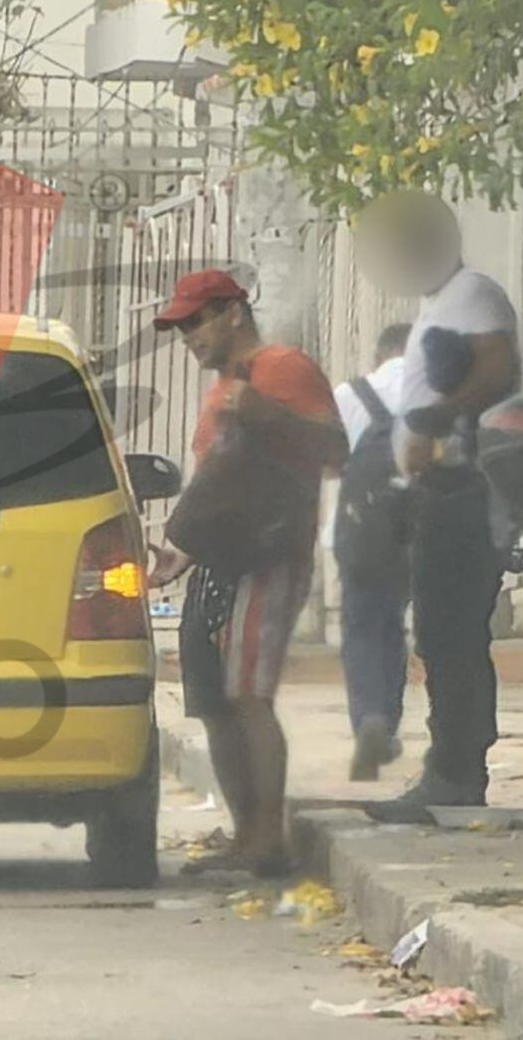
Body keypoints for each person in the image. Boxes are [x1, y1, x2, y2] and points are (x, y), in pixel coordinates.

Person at [149, 270, 347, 875]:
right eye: (181, 326)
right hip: (220, 559)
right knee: (213, 701)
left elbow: (337, 450)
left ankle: (267, 838)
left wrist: (268, 414)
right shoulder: (222, 390)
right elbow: (224, 487)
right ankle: (245, 835)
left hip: (269, 555)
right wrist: (183, 554)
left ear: (234, 312)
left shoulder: (282, 368)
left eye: (197, 320)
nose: (189, 335)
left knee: (248, 694)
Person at [353, 191, 521, 812]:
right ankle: (451, 770)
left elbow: (496, 369)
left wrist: (438, 418)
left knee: (450, 633)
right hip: (439, 490)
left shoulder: (472, 293)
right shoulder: (440, 304)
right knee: (441, 633)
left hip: (464, 490)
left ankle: (455, 775)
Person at [331, 323, 412, 782]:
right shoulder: (437, 393)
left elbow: (329, 464)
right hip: (426, 526)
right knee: (412, 629)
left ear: (379, 357)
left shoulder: (350, 395)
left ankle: (371, 719)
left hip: (364, 529)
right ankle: (414, 730)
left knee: (364, 626)